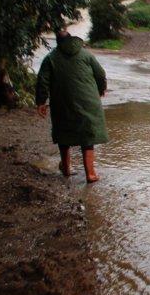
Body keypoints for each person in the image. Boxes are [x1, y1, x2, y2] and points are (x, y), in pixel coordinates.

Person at [35, 30, 108, 183]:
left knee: (64, 134)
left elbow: (42, 81)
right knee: (88, 136)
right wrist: (100, 90)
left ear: (57, 41)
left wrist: (41, 102)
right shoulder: (86, 55)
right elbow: (100, 74)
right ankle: (90, 174)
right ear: (72, 39)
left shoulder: (51, 58)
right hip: (88, 102)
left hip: (62, 103)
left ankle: (66, 168)